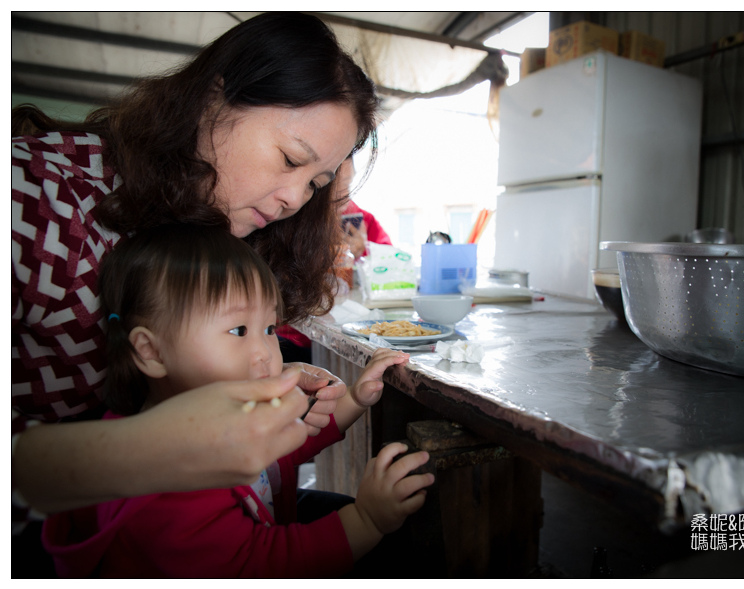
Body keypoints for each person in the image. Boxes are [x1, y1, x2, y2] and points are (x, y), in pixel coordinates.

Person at [11, 12, 379, 575]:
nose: (293, 199)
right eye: (290, 159)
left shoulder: (225, 225)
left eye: (316, 184)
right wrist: (155, 446)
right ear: (215, 96)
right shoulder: (35, 203)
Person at [41, 224, 433, 577]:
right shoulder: (165, 484)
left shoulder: (222, 418)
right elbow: (260, 565)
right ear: (152, 352)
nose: (266, 351)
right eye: (238, 329)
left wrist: (353, 399)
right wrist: (367, 519)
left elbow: (278, 455)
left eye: (267, 327)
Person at [276, 156, 393, 362]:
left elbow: (389, 266)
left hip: (343, 332)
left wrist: (361, 253)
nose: (345, 200)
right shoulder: (281, 220)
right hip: (289, 338)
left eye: (348, 186)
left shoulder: (359, 220)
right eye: (336, 190)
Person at [337, 158, 393, 260]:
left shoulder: (366, 222)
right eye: (330, 186)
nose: (340, 195)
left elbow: (390, 263)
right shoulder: (299, 218)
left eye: (346, 185)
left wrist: (363, 252)